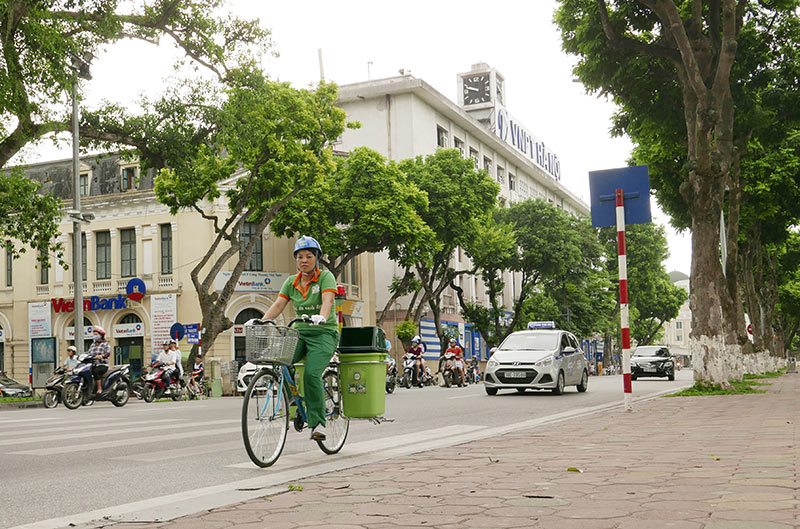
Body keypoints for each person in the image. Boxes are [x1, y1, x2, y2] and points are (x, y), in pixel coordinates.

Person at [259, 236, 338, 441]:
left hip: (323, 333)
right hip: (299, 333)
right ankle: (294, 400)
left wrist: (322, 316)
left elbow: (327, 300)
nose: (304, 260)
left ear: (317, 258)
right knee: (279, 361)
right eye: (300, 256)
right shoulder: (290, 282)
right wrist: (262, 320)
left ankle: (319, 423)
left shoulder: (325, 277)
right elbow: (278, 305)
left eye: (309, 256)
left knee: (311, 375)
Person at [85, 326, 111, 397]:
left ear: (101, 335)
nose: (94, 336)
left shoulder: (105, 344)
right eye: (94, 334)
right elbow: (88, 353)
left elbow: (108, 353)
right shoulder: (92, 344)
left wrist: (100, 356)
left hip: (102, 364)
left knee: (95, 372)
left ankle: (99, 389)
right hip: (92, 364)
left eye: (96, 334)